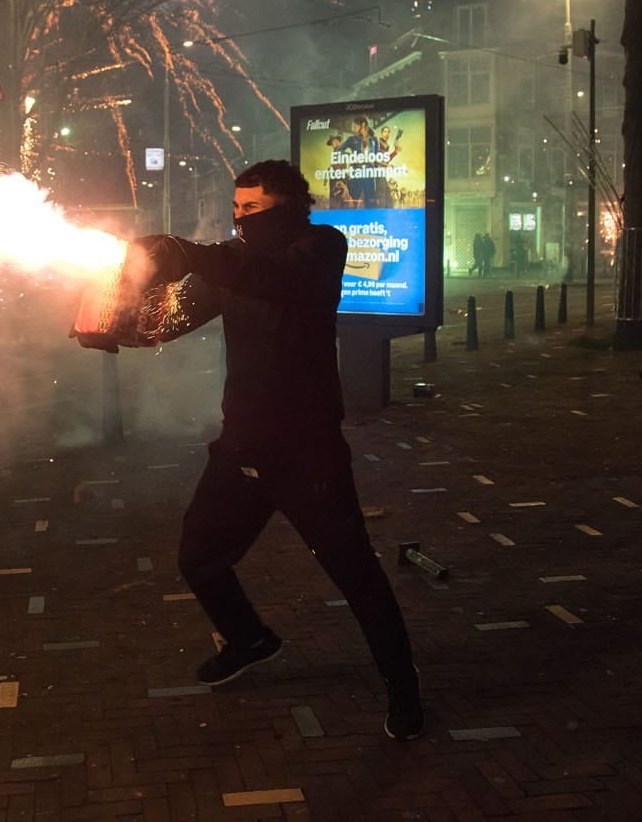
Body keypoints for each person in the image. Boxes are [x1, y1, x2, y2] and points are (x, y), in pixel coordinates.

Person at [75, 160, 424, 740]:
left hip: (308, 453)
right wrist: (118, 322)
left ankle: (403, 689)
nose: (241, 221)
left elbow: (268, 274)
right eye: (236, 210)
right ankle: (250, 639)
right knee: (199, 559)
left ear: (288, 205)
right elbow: (175, 316)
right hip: (242, 447)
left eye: (253, 210)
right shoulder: (232, 269)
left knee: (357, 577)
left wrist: (187, 252)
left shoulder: (320, 249)